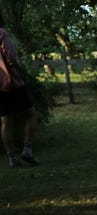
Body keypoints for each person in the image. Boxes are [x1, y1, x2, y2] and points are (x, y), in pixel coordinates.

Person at [0, 20, 38, 167]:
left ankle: (12, 158)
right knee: (31, 114)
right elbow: (11, 58)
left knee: (6, 121)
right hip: (12, 82)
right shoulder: (2, 33)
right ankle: (27, 150)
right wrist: (20, 68)